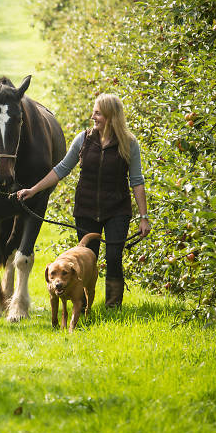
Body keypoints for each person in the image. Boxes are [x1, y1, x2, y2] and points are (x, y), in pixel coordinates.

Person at [16, 93, 151, 308]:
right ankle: (86, 307)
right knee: (89, 261)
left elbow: (137, 181)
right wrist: (33, 190)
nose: (93, 116)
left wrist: (144, 217)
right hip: (86, 210)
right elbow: (61, 169)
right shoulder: (84, 139)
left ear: (110, 115)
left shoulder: (129, 143)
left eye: (97, 113)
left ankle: (113, 307)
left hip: (117, 209)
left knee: (114, 257)